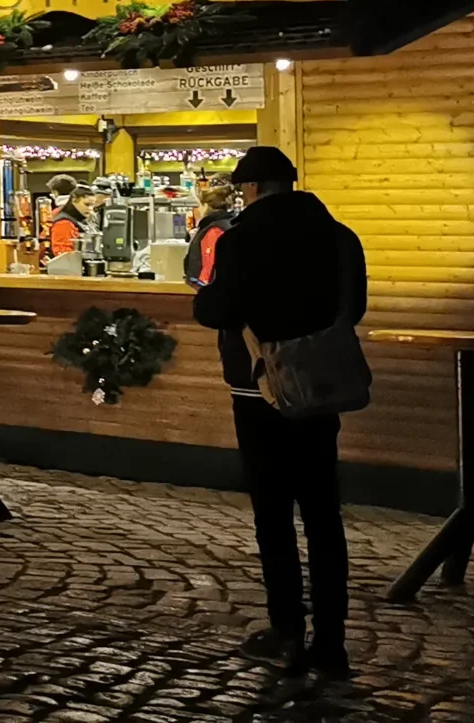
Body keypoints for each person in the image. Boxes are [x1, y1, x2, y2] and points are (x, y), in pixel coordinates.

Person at [192, 147, 364, 678]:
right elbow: (354, 307)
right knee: (323, 514)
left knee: (273, 513)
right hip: (320, 386)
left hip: (259, 389)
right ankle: (331, 640)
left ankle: (286, 626)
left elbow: (216, 309)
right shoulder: (340, 237)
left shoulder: (241, 239)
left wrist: (207, 299)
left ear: (251, 188)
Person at [185, 179, 237, 288]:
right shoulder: (226, 224)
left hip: (208, 292)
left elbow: (208, 272)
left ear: (206, 206)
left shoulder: (215, 230)